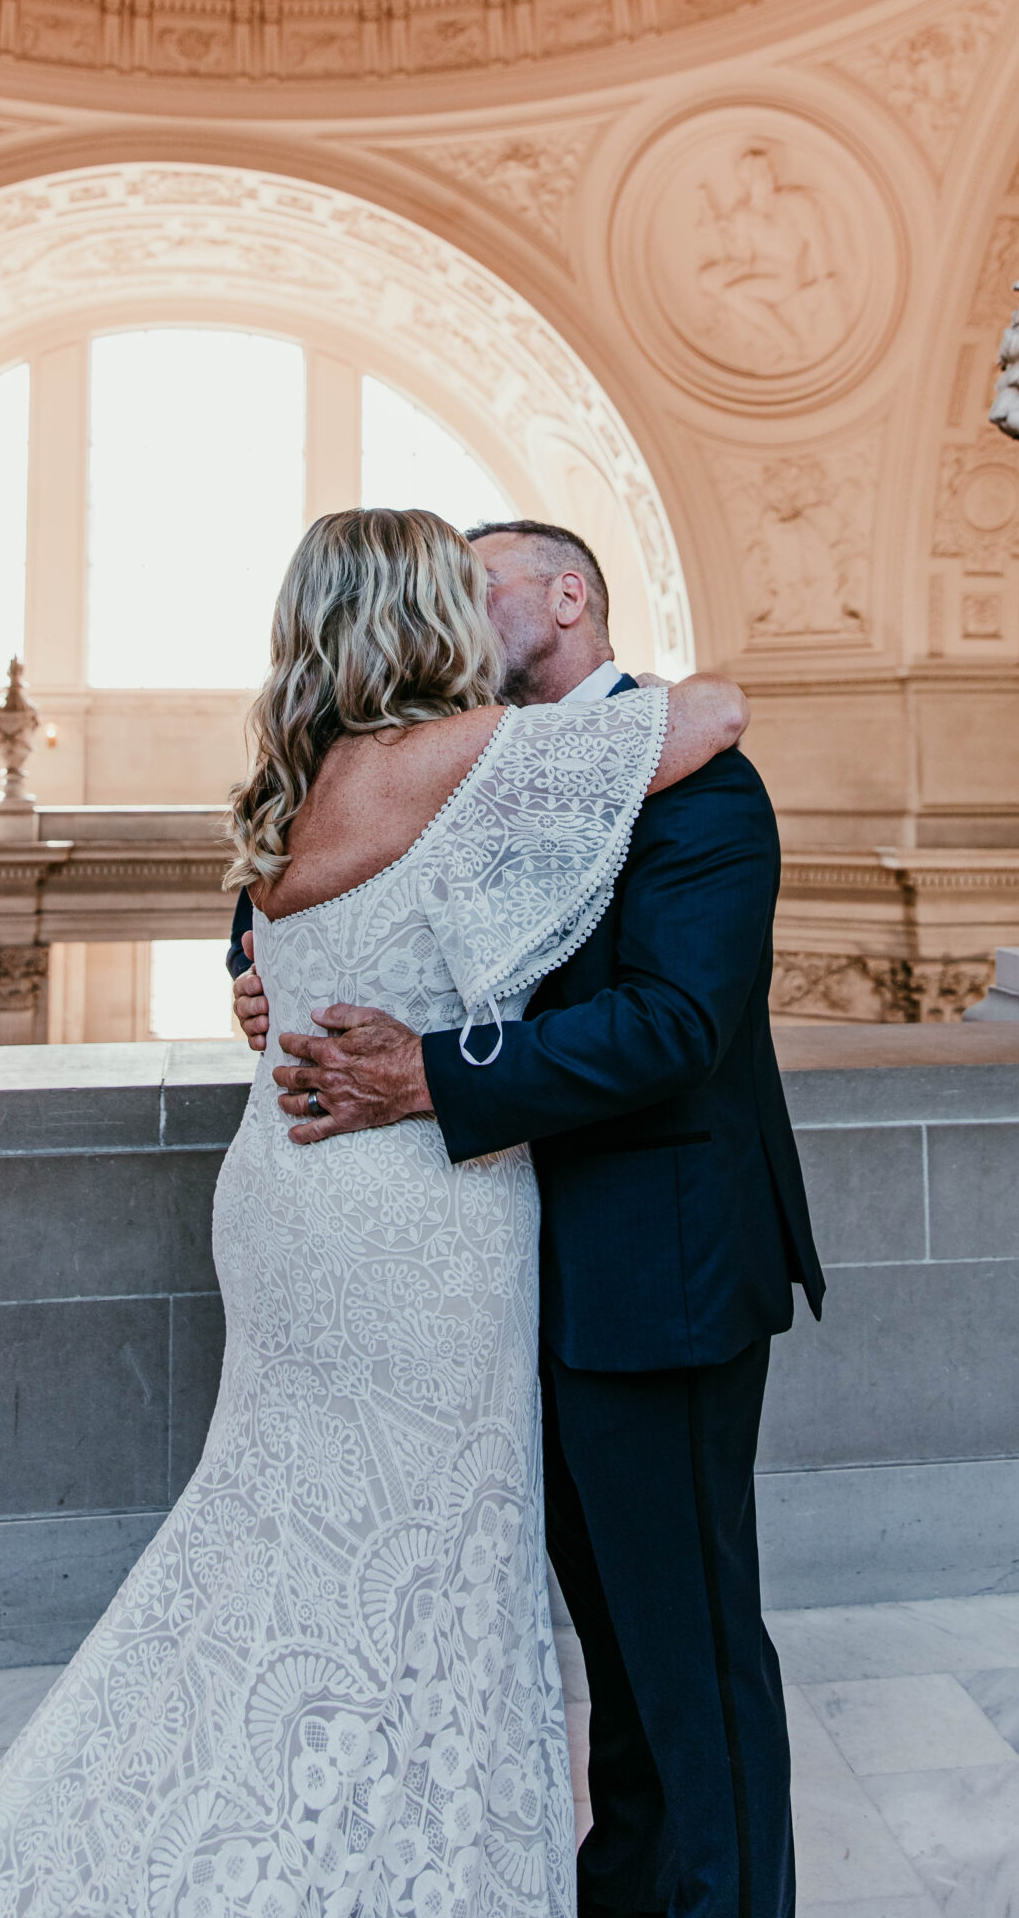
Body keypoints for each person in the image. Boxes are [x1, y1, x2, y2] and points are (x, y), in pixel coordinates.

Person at [0, 507, 746, 1918]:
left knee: (285, 1537)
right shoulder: (452, 761)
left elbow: (300, 930)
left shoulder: (299, 781)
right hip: (406, 1213)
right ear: (423, 620)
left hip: (291, 1193)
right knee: (422, 1555)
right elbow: (705, 714)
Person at [232, 520, 823, 1918]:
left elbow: (677, 1023)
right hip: (488, 1276)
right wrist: (264, 975)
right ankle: (626, 1894)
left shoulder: (700, 786)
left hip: (654, 1267)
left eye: (480, 577)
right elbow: (311, 885)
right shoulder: (458, 768)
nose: (453, 601)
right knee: (607, 1652)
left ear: (569, 597)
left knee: (686, 1651)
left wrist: (427, 1074)